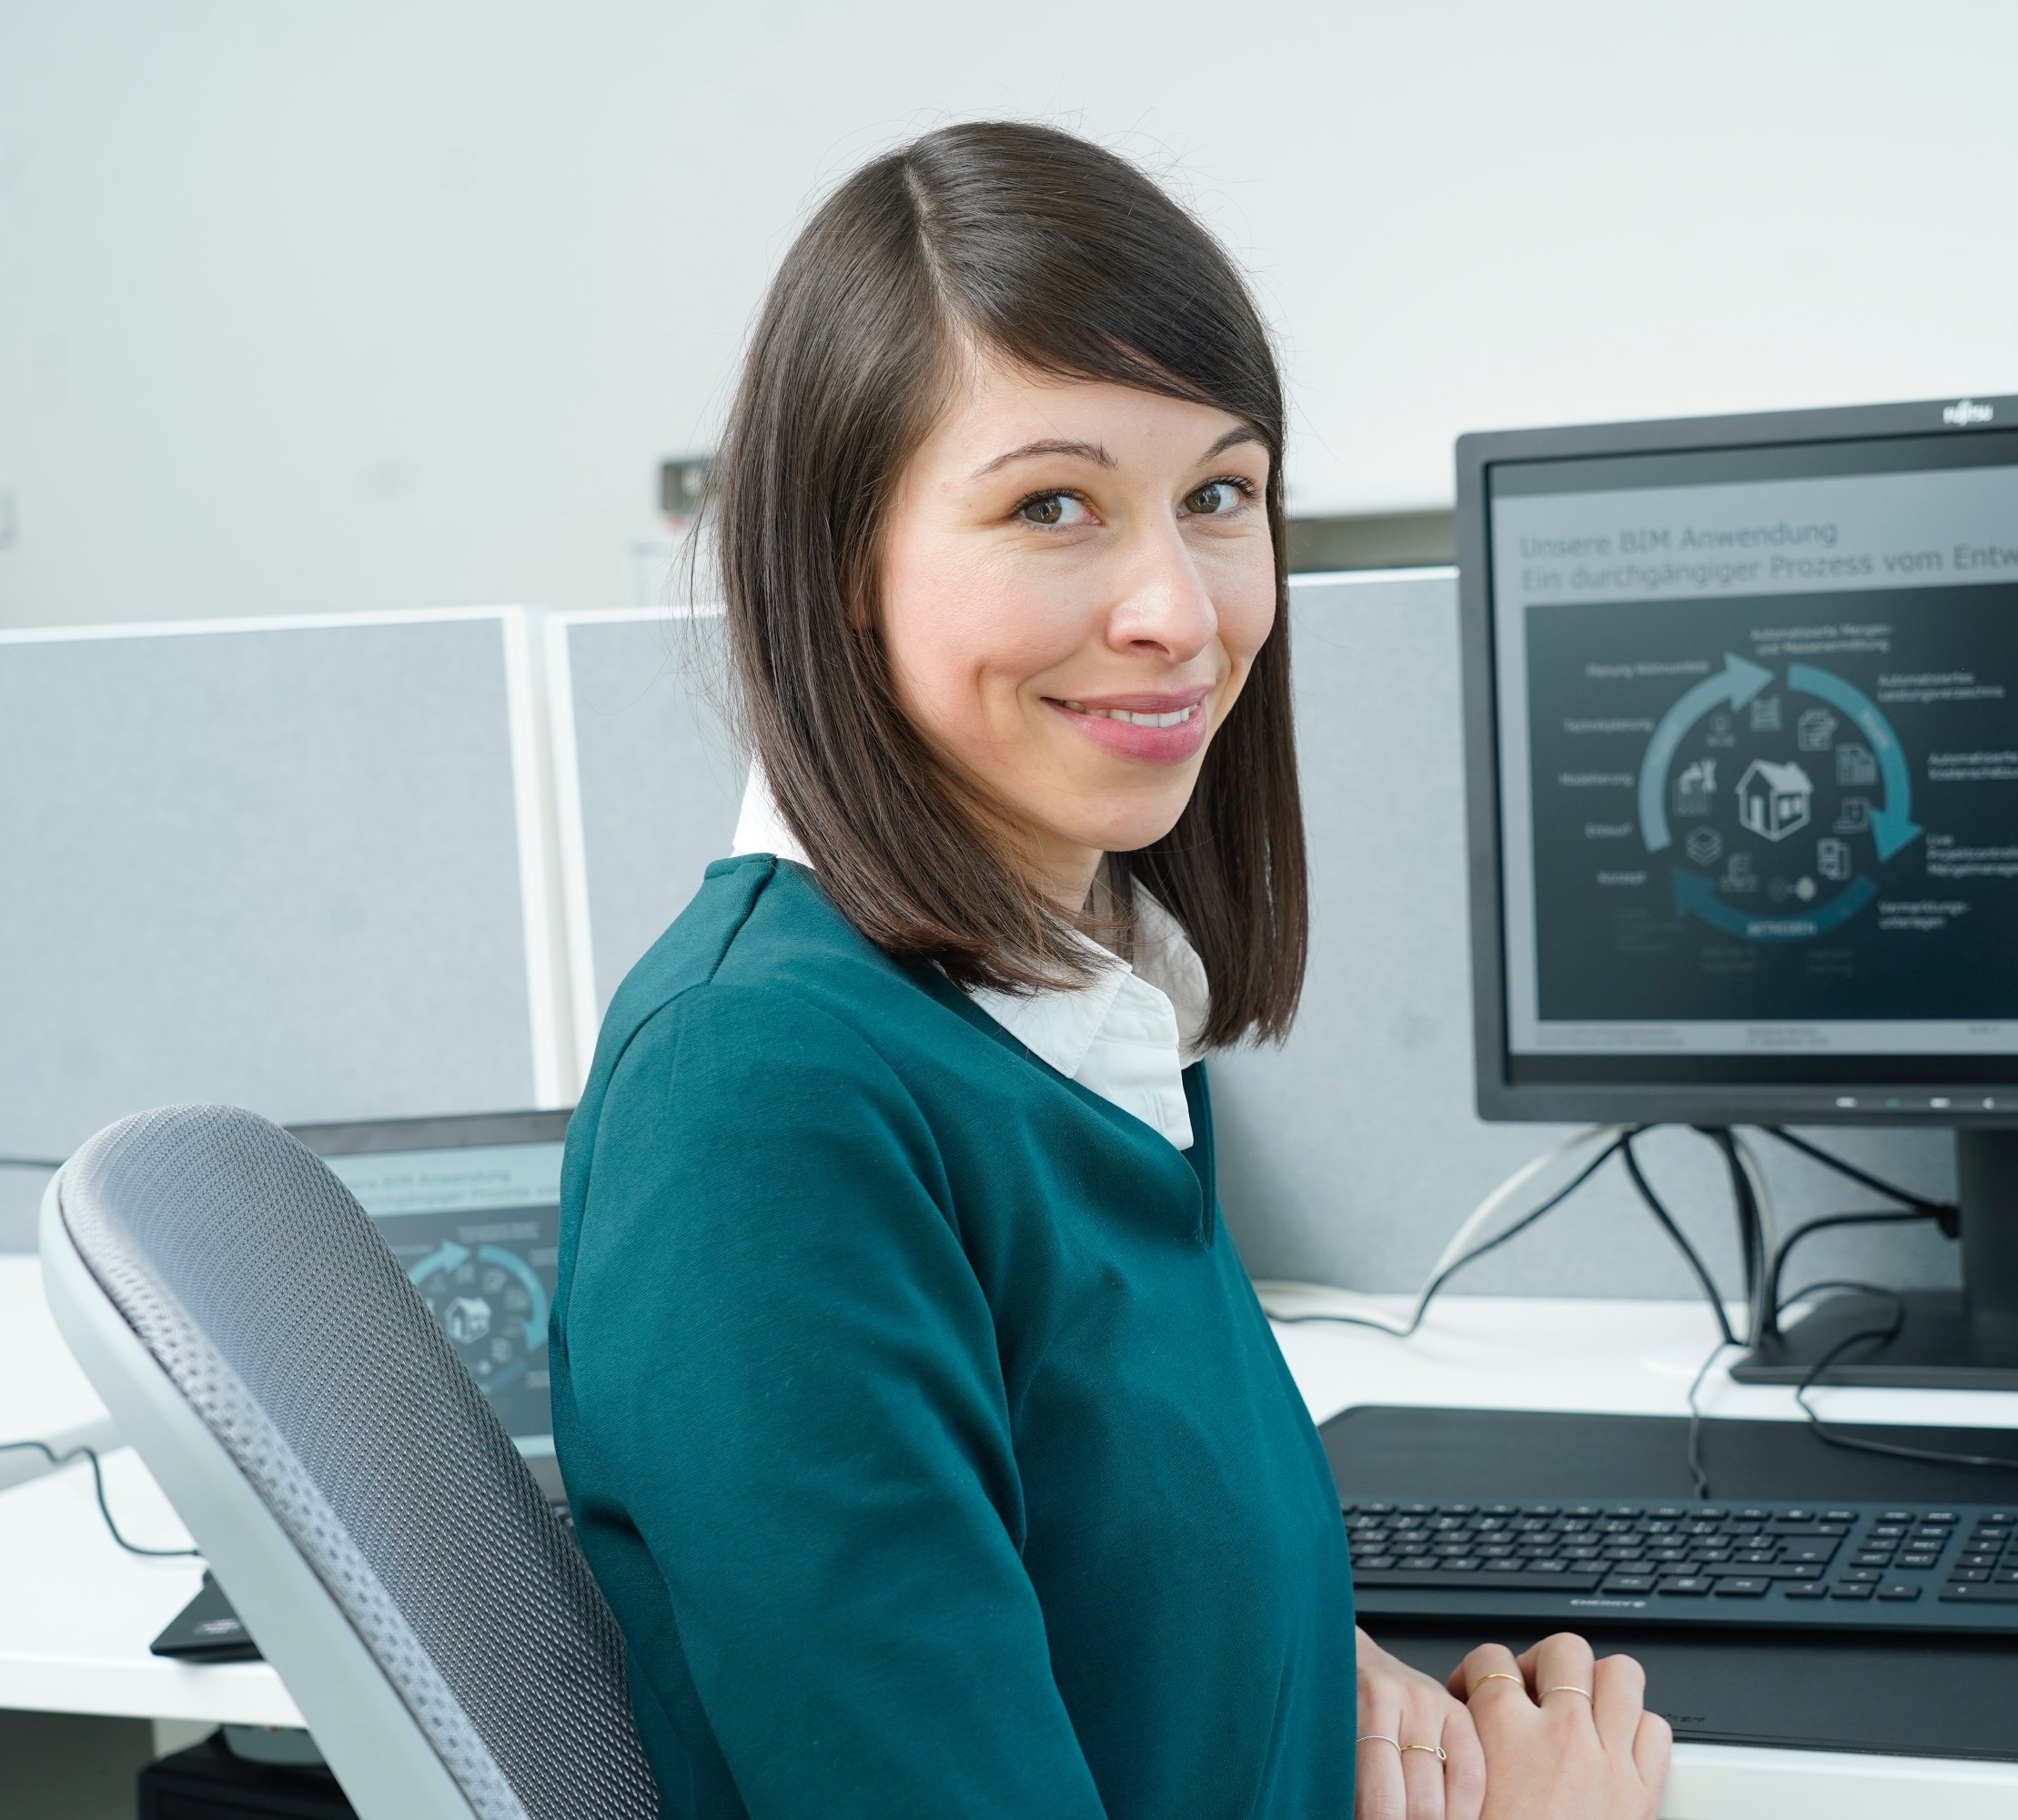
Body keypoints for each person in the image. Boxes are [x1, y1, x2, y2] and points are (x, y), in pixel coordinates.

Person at [550, 121, 1671, 1820]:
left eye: (1218, 495)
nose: (1177, 607)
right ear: (842, 567)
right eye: (1053, 505)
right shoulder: (764, 1097)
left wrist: (1286, 1657)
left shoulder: (1072, 1016)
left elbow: (1090, 1563)